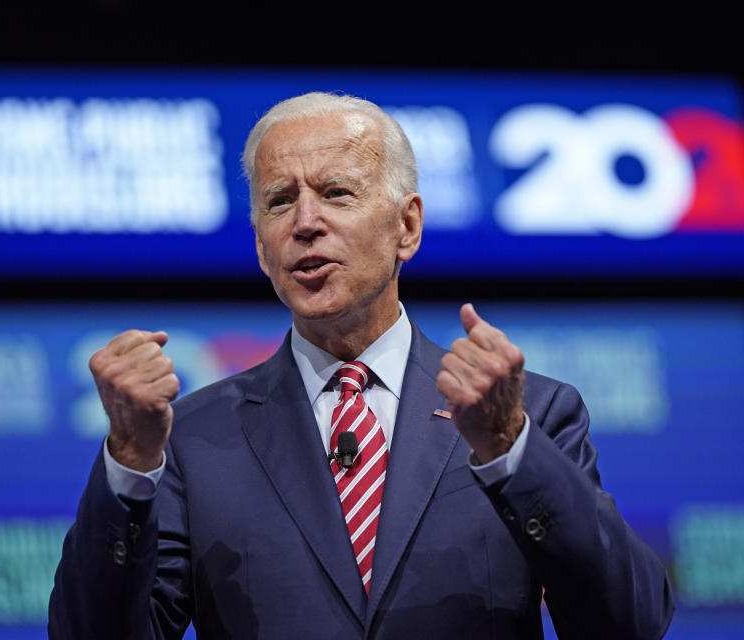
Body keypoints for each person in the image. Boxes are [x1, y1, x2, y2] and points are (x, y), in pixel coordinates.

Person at [48, 92, 674, 639]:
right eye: (279, 201)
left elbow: (630, 622)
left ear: (407, 226)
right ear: (260, 248)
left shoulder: (534, 414)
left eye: (336, 193)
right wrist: (129, 463)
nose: (306, 222)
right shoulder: (192, 439)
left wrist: (510, 449)